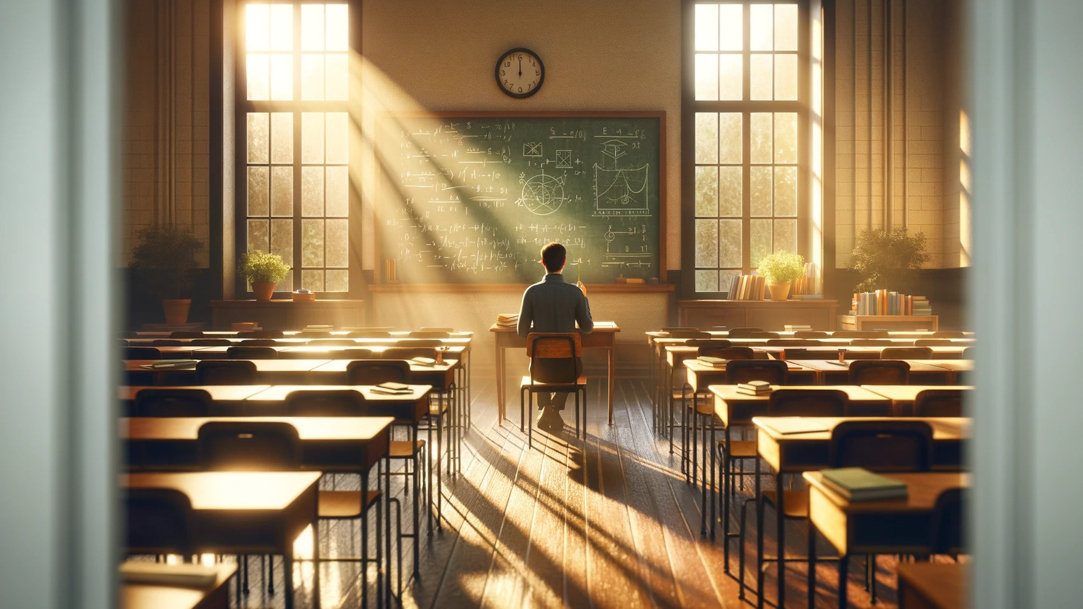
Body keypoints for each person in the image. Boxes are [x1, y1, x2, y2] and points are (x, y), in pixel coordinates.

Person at [517, 242, 593, 432]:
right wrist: (584, 298)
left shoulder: (531, 292)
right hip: (569, 371)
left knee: (538, 362)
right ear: (564, 262)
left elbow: (521, 331)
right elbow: (587, 328)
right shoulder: (575, 293)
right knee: (573, 365)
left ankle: (546, 408)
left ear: (542, 262)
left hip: (539, 370)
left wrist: (541, 333)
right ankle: (553, 408)